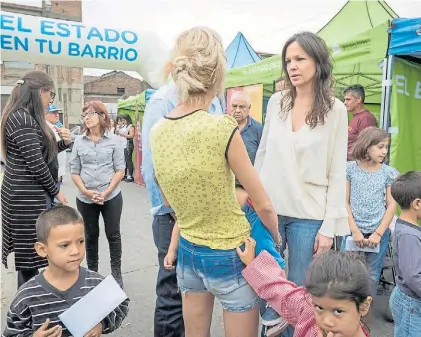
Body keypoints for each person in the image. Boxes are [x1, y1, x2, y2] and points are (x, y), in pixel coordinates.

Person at [149, 27, 280, 337]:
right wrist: (272, 239)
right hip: (231, 253)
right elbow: (262, 203)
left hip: (189, 252)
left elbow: (167, 201)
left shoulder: (157, 130)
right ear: (218, 74)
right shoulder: (222, 128)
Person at [254, 32, 349, 336]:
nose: (292, 66)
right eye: (288, 61)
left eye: (299, 59)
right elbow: (263, 152)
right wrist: (252, 198)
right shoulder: (278, 103)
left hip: (309, 215)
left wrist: (329, 227)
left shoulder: (336, 110)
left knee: (299, 291)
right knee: (266, 286)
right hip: (269, 209)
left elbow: (337, 171)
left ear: (318, 62)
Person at [142, 58, 224, 337]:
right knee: (172, 292)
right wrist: (178, 211)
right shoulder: (163, 101)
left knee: (198, 294)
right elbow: (153, 168)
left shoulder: (216, 102)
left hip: (207, 217)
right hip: (173, 216)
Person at [2, 205, 130, 337]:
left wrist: (102, 324)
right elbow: (12, 332)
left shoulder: (96, 283)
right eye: (64, 245)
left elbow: (121, 305)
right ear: (42, 249)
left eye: (80, 241)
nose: (75, 251)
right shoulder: (27, 295)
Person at [1, 71, 70, 289]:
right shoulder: (21, 118)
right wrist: (55, 190)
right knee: (31, 257)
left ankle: (34, 303)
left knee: (34, 254)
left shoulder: (23, 116)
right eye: (50, 95)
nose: (50, 101)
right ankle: (28, 309)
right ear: (40, 92)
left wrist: (63, 144)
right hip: (25, 198)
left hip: (28, 195)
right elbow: (35, 164)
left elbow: (38, 155)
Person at [237, 237, 372, 337]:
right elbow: (281, 292)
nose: (326, 321)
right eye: (319, 308)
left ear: (364, 306)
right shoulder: (308, 309)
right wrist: (253, 263)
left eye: (338, 311)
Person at [69, 100, 125, 288]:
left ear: (102, 116)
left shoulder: (114, 140)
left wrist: (107, 191)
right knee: (91, 235)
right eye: (84, 115)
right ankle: (92, 274)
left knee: (113, 234)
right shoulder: (78, 141)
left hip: (111, 196)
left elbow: (120, 169)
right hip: (85, 198)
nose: (86, 118)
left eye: (90, 114)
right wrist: (85, 191)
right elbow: (74, 170)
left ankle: (116, 272)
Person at [341, 127, 398, 298]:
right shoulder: (350, 169)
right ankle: (346, 314)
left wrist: (378, 234)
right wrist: (354, 230)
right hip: (352, 231)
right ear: (367, 146)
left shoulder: (388, 172)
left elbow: (391, 205)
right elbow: (344, 201)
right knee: (346, 273)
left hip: (377, 232)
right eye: (380, 147)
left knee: (372, 276)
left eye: (386, 147)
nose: (384, 151)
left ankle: (365, 316)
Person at [389, 171, 421, 337]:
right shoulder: (410, 235)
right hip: (412, 304)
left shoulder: (406, 227)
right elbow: (413, 276)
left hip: (407, 300)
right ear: (417, 204)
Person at [343, 85, 378, 161]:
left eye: (348, 100)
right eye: (344, 100)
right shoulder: (356, 116)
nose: (345, 103)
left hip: (357, 166)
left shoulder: (366, 118)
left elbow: (367, 147)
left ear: (359, 99)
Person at [230, 91, 263, 165]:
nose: (237, 110)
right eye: (234, 106)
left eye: (242, 107)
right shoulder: (223, 126)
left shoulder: (258, 129)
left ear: (249, 107)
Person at [46, 104, 66, 183]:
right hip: (50, 174)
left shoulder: (57, 126)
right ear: (45, 114)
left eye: (57, 112)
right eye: (53, 112)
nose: (57, 114)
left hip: (57, 172)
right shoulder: (45, 129)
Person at [115, 114, 135, 182]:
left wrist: (122, 134)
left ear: (127, 120)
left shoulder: (131, 126)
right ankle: (125, 175)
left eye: (124, 120)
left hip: (128, 144)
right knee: (124, 161)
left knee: (128, 160)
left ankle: (130, 176)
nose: (123, 121)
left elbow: (132, 136)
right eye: (122, 120)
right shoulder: (124, 126)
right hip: (123, 145)